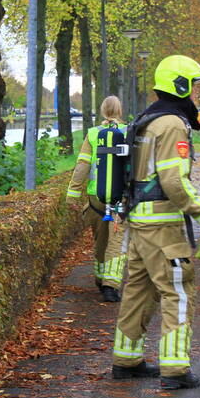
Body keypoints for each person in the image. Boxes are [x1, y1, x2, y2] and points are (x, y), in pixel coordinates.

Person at [111, 55, 200, 389]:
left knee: (137, 290)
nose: (194, 92)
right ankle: (175, 370)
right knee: (178, 291)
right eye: (192, 85)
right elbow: (175, 183)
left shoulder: (148, 120)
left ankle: (126, 360)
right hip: (163, 226)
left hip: (139, 222)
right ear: (179, 85)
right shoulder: (173, 124)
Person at [66, 96, 128, 303]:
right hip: (121, 198)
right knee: (116, 241)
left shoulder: (93, 134)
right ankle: (111, 286)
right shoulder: (129, 132)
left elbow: (82, 165)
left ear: (102, 111)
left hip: (96, 198)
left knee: (100, 240)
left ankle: (101, 280)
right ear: (120, 111)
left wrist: (72, 193)